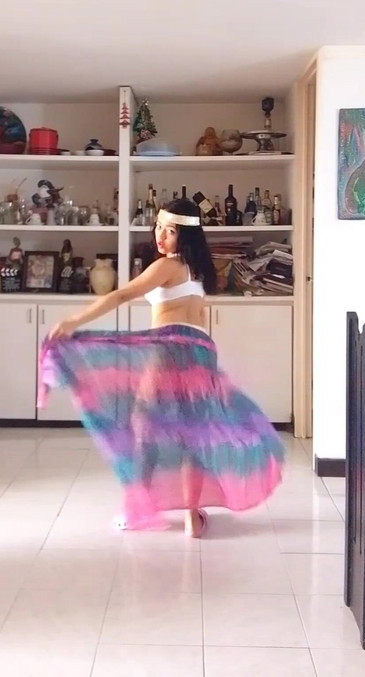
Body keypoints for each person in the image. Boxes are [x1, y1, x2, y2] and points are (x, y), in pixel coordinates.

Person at [40, 198, 284, 537]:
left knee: (143, 427)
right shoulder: (200, 270)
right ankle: (191, 517)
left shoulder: (167, 265)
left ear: (185, 235)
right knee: (191, 433)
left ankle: (138, 509)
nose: (160, 235)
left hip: (170, 347)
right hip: (202, 351)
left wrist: (74, 320)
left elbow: (121, 295)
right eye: (158, 227)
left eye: (170, 230)